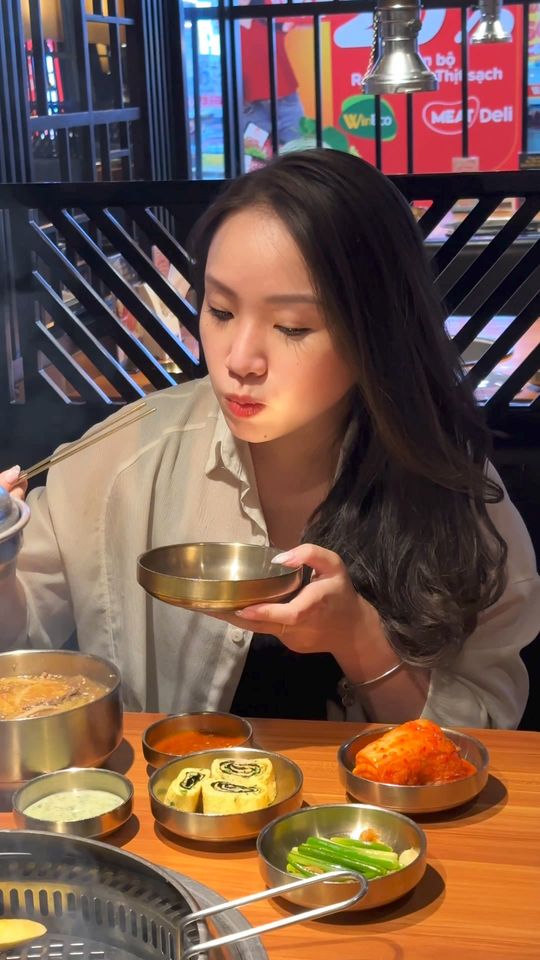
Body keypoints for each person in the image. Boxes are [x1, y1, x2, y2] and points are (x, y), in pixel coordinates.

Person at [1, 149, 539, 728]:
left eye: (292, 327)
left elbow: (484, 730)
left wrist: (357, 638)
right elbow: (21, 642)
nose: (239, 360)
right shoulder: (119, 456)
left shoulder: (446, 484)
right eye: (220, 310)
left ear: (377, 332)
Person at [239, 0, 304, 150]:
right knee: (258, 156)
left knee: (297, 154)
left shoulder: (272, 20)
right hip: (250, 105)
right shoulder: (227, 27)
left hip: (283, 99)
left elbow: (298, 16)